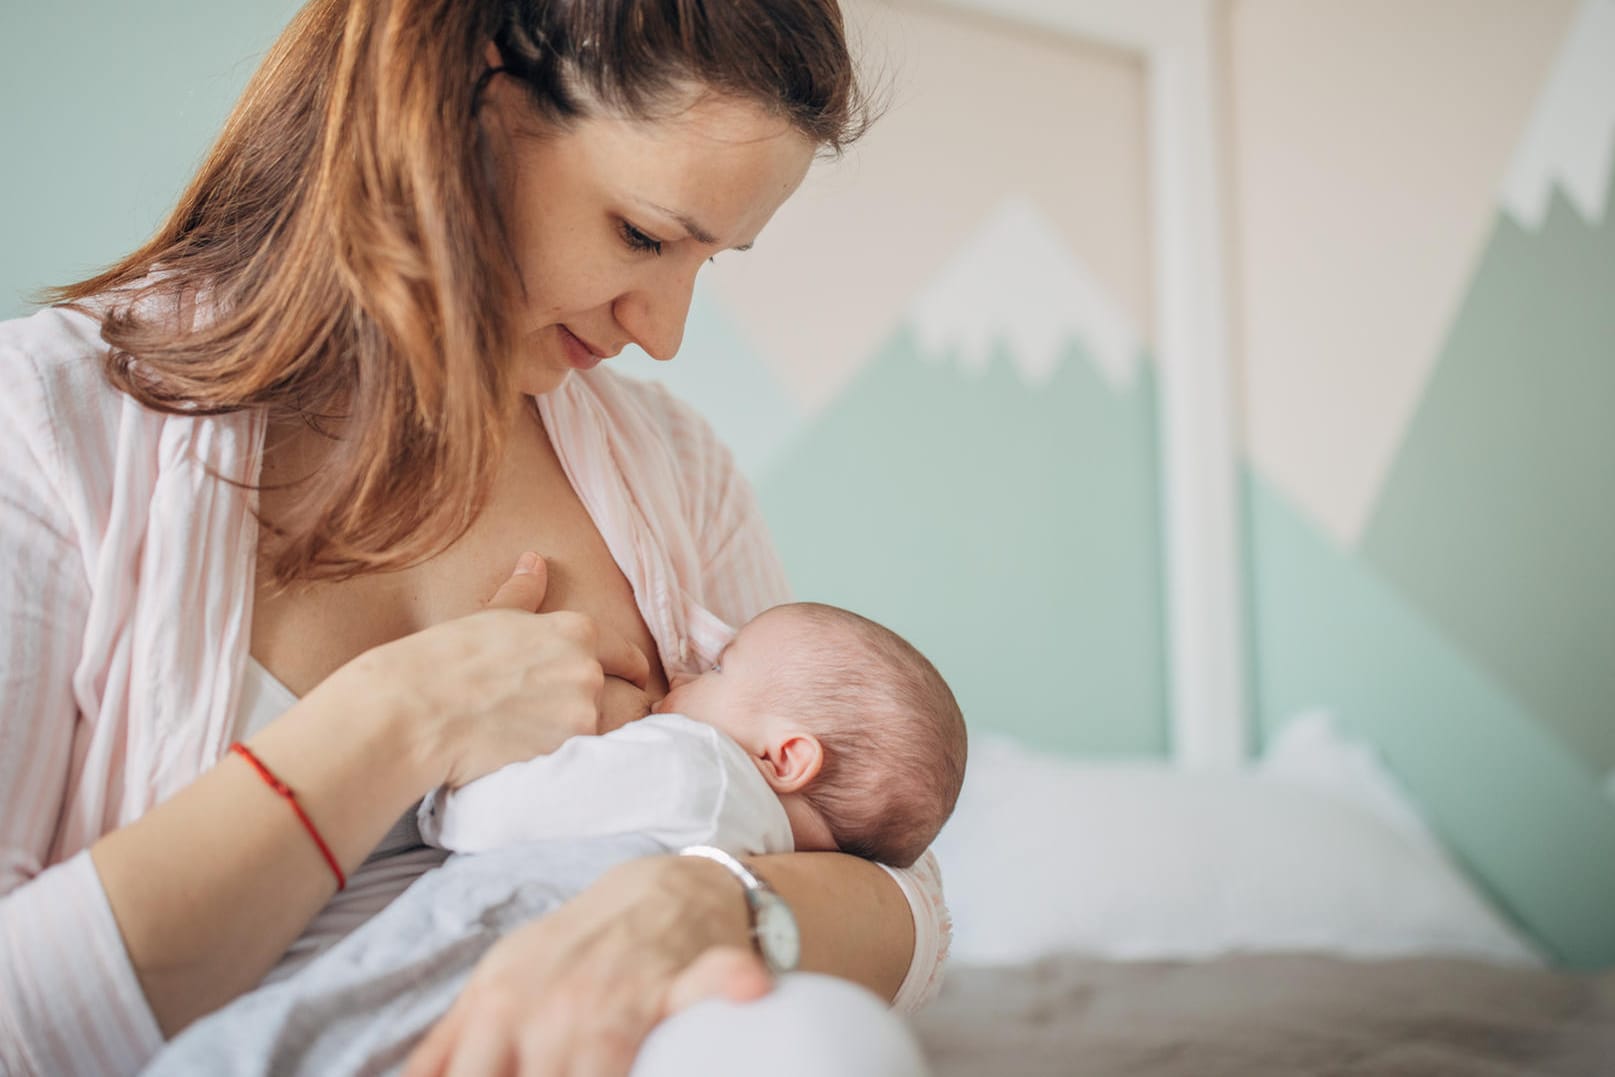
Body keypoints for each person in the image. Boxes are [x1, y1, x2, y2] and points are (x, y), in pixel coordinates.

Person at [0, 3, 952, 1075]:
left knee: (823, 1042)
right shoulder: (44, 426)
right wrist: (408, 717)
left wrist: (715, 902)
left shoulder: (676, 472)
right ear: (463, 107)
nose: (666, 332)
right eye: (641, 234)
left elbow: (898, 896)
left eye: (709, 260)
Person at [142, 600, 968, 1073]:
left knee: (325, 1023)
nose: (683, 673)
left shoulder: (699, 768)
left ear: (784, 755)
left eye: (718, 672)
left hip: (499, 922)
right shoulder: (756, 834)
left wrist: (448, 780)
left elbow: (499, 817)